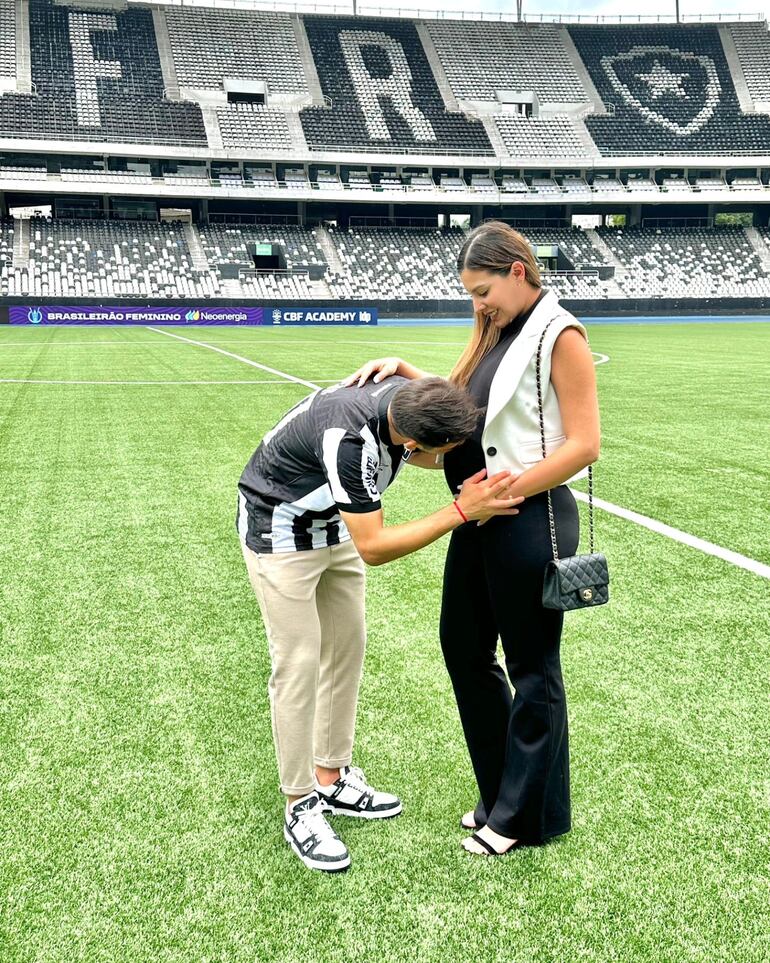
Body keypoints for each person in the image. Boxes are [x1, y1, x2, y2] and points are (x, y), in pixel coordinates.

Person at [343, 220, 601, 857]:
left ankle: (520, 818)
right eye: (470, 294)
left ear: (518, 271)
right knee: (463, 648)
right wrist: (408, 372)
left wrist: (502, 495)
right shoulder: (496, 331)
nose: (477, 304)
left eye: (483, 290)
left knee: (533, 668)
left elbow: (584, 445)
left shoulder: (559, 333)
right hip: (478, 514)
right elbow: (473, 411)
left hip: (527, 520)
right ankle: (501, 794)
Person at [237, 374, 524, 872]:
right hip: (281, 533)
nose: (454, 457)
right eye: (449, 451)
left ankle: (332, 776)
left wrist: (410, 370)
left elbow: (429, 438)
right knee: (299, 664)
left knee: (346, 651)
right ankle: (299, 802)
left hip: (335, 528)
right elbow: (374, 547)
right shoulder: (350, 443)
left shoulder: (405, 398)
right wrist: (461, 509)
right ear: (412, 443)